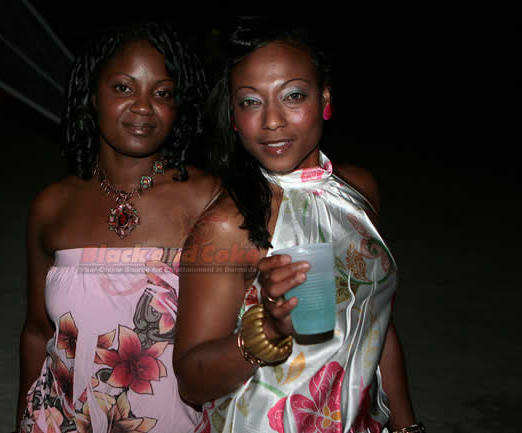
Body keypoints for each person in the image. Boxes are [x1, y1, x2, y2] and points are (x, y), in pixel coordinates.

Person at [173, 18, 422, 433]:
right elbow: (191, 383)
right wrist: (267, 330)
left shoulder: (358, 191)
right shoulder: (229, 225)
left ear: (325, 97)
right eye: (250, 102)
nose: (272, 120)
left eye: (293, 96)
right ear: (233, 116)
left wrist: (407, 425)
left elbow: (375, 320)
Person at [15, 21, 219, 433]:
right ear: (92, 95)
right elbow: (37, 331)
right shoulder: (53, 205)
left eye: (162, 93)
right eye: (124, 88)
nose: (143, 107)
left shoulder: (208, 201)